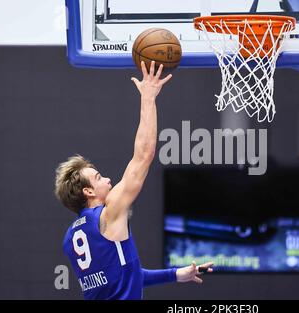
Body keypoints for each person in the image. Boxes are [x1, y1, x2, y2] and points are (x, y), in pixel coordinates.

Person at [55, 61, 213, 300]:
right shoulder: (109, 213)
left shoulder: (70, 238)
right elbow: (143, 156)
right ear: (88, 191)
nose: (108, 179)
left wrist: (176, 274)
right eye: (98, 178)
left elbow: (125, 274)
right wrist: (148, 97)